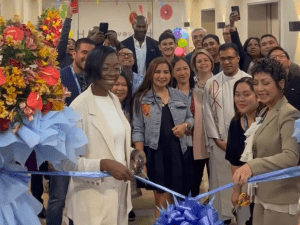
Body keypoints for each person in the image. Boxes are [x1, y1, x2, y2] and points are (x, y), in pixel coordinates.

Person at [61, 46, 146, 225]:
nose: (113, 73)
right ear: (93, 67)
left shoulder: (113, 99)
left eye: (117, 68)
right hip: (91, 200)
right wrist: (103, 164)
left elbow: (113, 139)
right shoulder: (79, 107)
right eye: (106, 68)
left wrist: (131, 153)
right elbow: (67, 162)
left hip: (117, 195)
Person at [233, 58, 300, 225]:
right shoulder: (265, 111)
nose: (259, 89)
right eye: (255, 83)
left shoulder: (288, 114)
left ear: (281, 83)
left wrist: (252, 166)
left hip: (280, 197)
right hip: (262, 194)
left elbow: (290, 156)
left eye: (265, 83)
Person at [132, 57, 194, 218]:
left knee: (179, 199)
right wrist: (141, 159)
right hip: (155, 154)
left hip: (179, 153)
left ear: (171, 74)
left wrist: (185, 126)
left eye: (166, 72)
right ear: (151, 74)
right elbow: (138, 129)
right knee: (162, 200)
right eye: (157, 72)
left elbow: (190, 118)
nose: (162, 76)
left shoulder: (179, 96)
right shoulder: (142, 98)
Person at [46, 38, 95, 225]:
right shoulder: (58, 77)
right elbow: (48, 114)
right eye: (84, 52)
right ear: (74, 53)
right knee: (58, 198)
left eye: (91, 53)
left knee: (82, 197)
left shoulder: (95, 78)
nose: (87, 57)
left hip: (88, 146)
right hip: (63, 146)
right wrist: (51, 152)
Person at [202, 43, 251, 224]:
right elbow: (207, 113)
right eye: (223, 59)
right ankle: (223, 217)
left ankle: (245, 217)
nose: (227, 62)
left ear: (238, 58)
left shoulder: (249, 81)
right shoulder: (211, 83)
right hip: (220, 144)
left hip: (246, 144)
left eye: (230, 58)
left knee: (244, 183)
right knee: (221, 184)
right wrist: (217, 139)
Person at [226, 77, 262, 225]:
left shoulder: (267, 121)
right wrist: (236, 191)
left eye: (247, 94)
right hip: (248, 188)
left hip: (268, 187)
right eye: (237, 94)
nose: (240, 99)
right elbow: (235, 161)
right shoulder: (235, 123)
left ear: (258, 96)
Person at [110, 72, 141, 222]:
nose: (120, 88)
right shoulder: (104, 107)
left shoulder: (131, 107)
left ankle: (128, 208)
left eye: (123, 85)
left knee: (127, 185)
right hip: (110, 154)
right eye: (116, 84)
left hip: (128, 153)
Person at [189, 49, 214, 196]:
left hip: (214, 133)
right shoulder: (191, 82)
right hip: (196, 134)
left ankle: (214, 206)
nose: (203, 63)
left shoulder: (219, 81)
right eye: (199, 61)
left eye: (206, 60)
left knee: (215, 175)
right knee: (195, 176)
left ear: (211, 62)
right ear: (194, 65)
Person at [268, 46, 300, 111]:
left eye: (281, 56)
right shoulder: (266, 84)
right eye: (273, 57)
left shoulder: (298, 81)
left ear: (289, 62)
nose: (277, 59)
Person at [57, 4, 76, 69]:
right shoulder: (62, 56)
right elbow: (63, 39)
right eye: (68, 44)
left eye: (73, 44)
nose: (71, 45)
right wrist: (68, 18)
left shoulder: (79, 60)